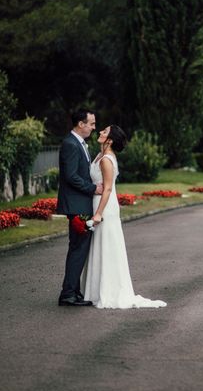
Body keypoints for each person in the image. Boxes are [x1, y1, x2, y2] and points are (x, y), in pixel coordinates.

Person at [82, 125, 167, 309]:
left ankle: (108, 291)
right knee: (99, 245)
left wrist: (98, 214)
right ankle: (95, 291)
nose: (100, 133)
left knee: (107, 245)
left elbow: (108, 188)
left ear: (110, 140)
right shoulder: (99, 155)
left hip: (105, 206)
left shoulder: (106, 159)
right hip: (98, 202)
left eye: (104, 132)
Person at [56, 109, 103, 307]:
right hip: (77, 206)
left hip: (80, 204)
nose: (94, 127)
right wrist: (94, 189)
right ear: (81, 124)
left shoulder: (79, 144)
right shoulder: (70, 144)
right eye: (91, 124)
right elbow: (71, 176)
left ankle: (73, 292)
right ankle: (68, 294)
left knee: (78, 249)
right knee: (78, 249)